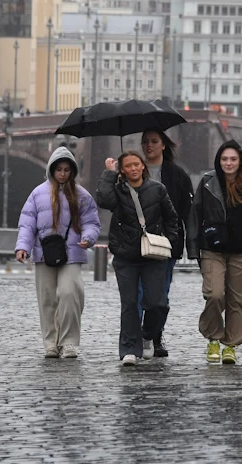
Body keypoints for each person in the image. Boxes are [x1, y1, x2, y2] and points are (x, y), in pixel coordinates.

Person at [187, 140, 242, 365]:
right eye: (225, 159)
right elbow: (195, 215)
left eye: (233, 159)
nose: (228, 163)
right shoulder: (207, 183)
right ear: (219, 160)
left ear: (240, 161)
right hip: (213, 249)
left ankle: (230, 345)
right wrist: (193, 247)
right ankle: (213, 338)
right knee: (215, 294)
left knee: (239, 299)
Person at [15, 147, 101, 359]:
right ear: (51, 170)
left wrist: (88, 238)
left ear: (72, 171)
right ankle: (51, 342)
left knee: (69, 293)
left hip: (72, 252)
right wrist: (22, 247)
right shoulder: (37, 194)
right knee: (47, 299)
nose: (62, 174)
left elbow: (92, 222)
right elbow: (27, 223)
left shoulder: (82, 196)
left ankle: (69, 341)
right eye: (59, 169)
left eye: (66, 170)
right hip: (44, 252)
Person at [96, 150, 179, 366]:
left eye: (136, 164)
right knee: (130, 304)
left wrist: (169, 240)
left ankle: (147, 335)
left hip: (153, 254)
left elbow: (171, 218)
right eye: (128, 166)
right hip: (125, 255)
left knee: (157, 303)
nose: (133, 168)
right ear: (122, 170)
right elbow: (103, 200)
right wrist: (109, 173)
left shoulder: (158, 190)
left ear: (143, 166)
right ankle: (129, 350)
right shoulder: (118, 191)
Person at [139, 128, 193, 358]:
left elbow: (187, 212)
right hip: (138, 243)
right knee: (140, 293)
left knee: (160, 295)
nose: (148, 146)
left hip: (166, 245)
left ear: (163, 145)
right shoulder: (133, 170)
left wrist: (189, 244)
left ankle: (154, 334)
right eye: (145, 142)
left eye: (153, 141)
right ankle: (138, 337)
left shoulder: (178, 176)